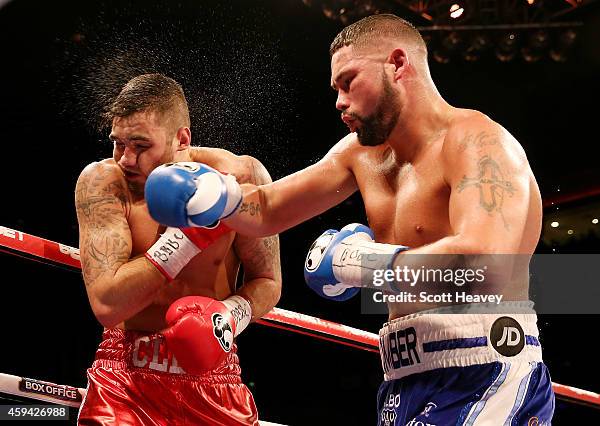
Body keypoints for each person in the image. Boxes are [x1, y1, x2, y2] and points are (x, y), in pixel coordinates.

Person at [145, 14, 554, 425]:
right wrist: (214, 196)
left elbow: (484, 263)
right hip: (403, 379)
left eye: (348, 81)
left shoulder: (478, 142)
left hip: (487, 371)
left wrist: (360, 262)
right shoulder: (360, 154)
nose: (339, 101)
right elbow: (268, 209)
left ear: (397, 64)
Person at [75, 73, 281, 425]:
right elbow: (107, 304)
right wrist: (189, 238)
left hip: (213, 380)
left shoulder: (240, 178)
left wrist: (228, 317)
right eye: (118, 143)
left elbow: (267, 281)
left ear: (181, 138)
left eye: (140, 146)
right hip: (125, 378)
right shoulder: (105, 183)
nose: (126, 159)